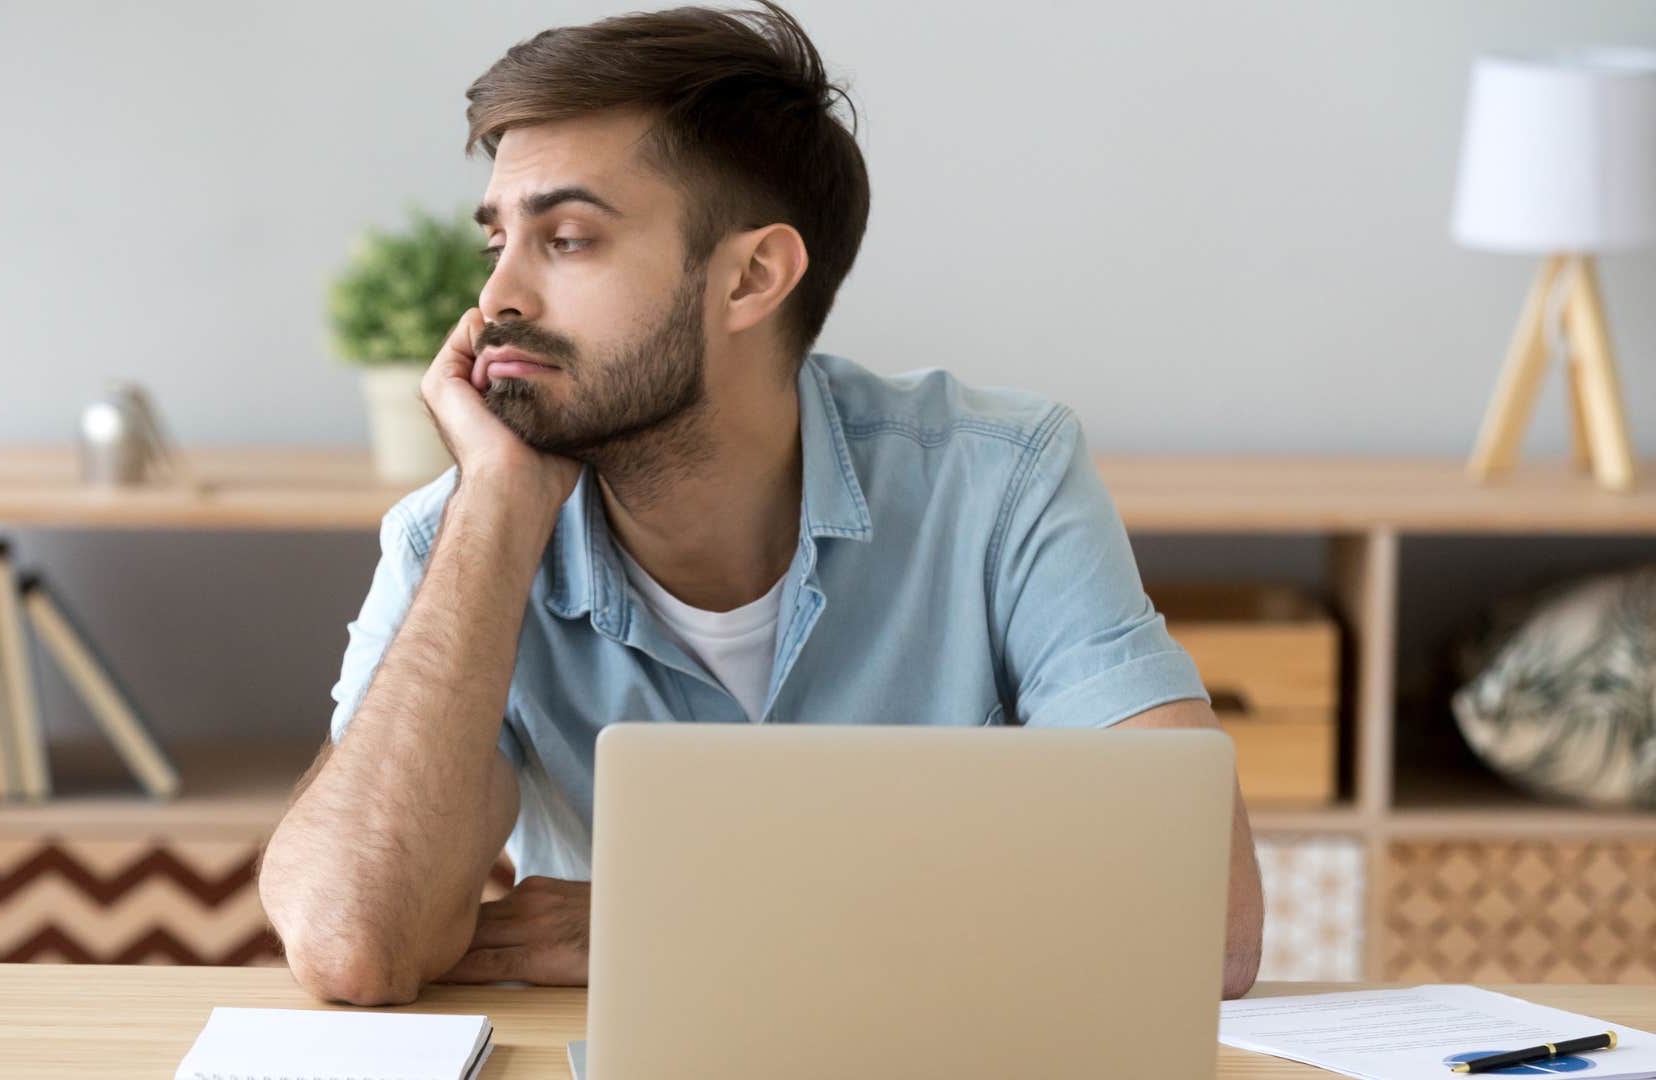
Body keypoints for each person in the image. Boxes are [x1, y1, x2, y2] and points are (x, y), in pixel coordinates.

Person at [258, 0, 1264, 1007]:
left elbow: (1200, 925)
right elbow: (354, 941)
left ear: (751, 277)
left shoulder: (997, 481)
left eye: (565, 239)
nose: (498, 301)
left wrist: (677, 922)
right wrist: (497, 510)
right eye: (497, 245)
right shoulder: (461, 533)